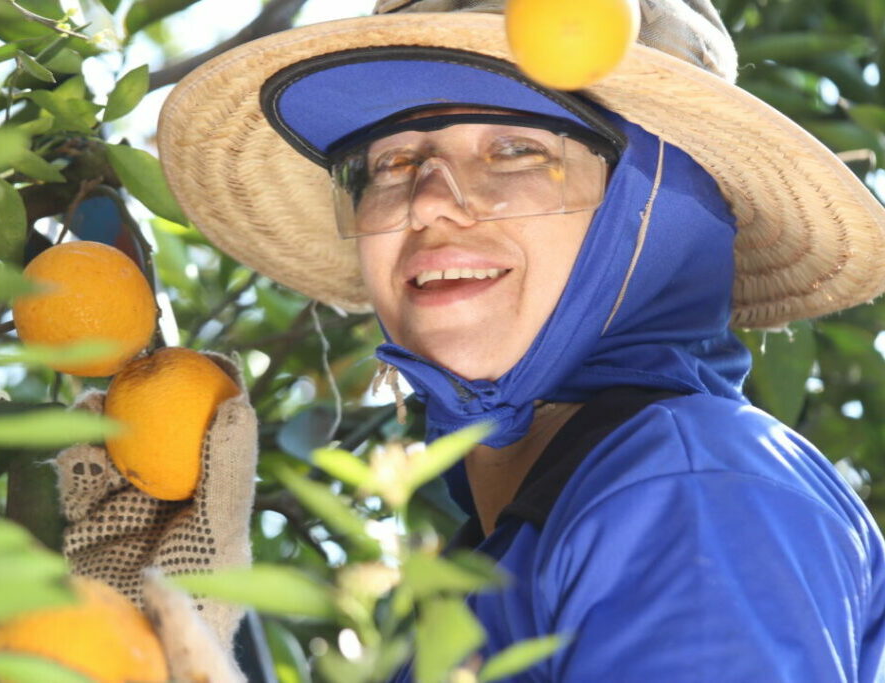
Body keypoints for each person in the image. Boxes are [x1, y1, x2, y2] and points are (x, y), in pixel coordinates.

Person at [63, 0, 885, 680]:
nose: (427, 202)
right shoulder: (508, 541)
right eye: (390, 164)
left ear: (657, 212)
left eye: (517, 149)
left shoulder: (691, 491)